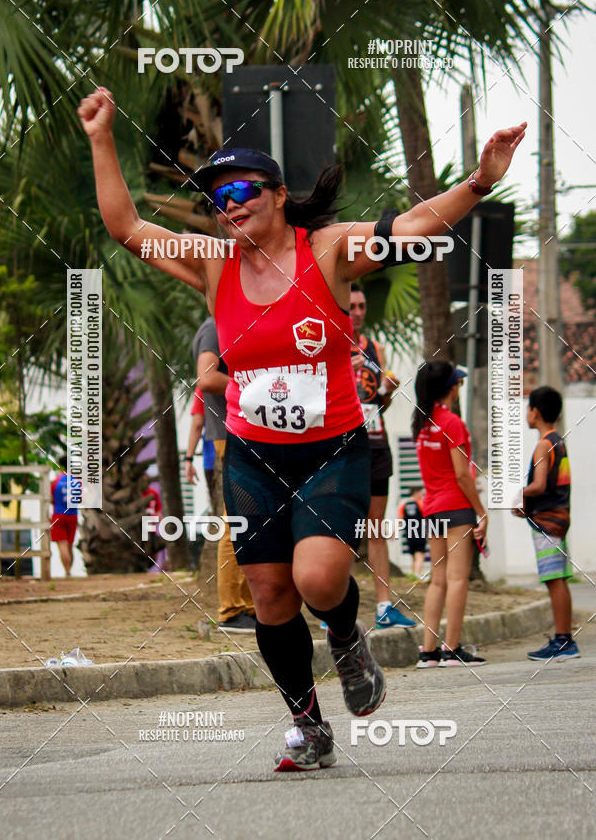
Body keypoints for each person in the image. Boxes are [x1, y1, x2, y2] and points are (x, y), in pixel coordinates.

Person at [79, 85, 525, 770]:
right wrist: (100, 137)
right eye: (218, 198)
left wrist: (477, 181)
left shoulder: (326, 250)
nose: (229, 207)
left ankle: (346, 638)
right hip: (254, 457)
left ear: (278, 195)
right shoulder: (215, 263)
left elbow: (411, 228)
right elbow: (128, 228)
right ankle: (308, 724)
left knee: (318, 581)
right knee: (268, 593)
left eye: (243, 192)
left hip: (332, 451)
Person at [413, 361, 487, 667]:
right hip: (456, 507)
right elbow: (462, 475)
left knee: (438, 580)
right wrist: (481, 512)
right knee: (458, 580)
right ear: (449, 388)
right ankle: (452, 649)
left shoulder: (422, 424)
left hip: (432, 509)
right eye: (457, 383)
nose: (460, 387)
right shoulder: (452, 423)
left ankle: (428, 651)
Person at [350, 282, 415, 628]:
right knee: (341, 528)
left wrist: (388, 391)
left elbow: (380, 404)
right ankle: (336, 614)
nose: (358, 312)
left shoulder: (375, 349)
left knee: (376, 527)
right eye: (352, 306)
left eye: (362, 306)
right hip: (343, 449)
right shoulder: (326, 344)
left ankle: (384, 607)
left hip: (376, 444)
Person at [192, 316, 256, 633]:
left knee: (251, 521)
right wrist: (259, 387)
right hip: (230, 435)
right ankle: (231, 611)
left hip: (247, 433)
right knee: (235, 523)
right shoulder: (215, 326)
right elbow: (205, 377)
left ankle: (248, 606)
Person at [512, 387, 579, 661]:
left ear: (535, 412)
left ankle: (564, 641)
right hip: (558, 518)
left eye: (528, 408)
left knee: (554, 579)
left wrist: (516, 493)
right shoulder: (558, 441)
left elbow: (538, 486)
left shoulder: (543, 444)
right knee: (558, 578)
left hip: (548, 523)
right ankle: (563, 638)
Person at [185, 388, 216, 499]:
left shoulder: (204, 386)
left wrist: (188, 459)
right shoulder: (239, 377)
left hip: (213, 460)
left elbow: (198, 424)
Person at [50, 464, 80, 577]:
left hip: (58, 515)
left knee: (62, 545)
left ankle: (67, 571)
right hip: (73, 515)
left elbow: (51, 498)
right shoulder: (76, 482)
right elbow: (80, 498)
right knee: (70, 545)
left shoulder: (56, 481)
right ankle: (69, 570)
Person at [398, 487, 427, 580]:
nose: (422, 495)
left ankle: (413, 574)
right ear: (416, 492)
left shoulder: (404, 504)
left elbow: (400, 519)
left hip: (409, 533)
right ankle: (417, 574)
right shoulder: (420, 503)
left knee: (413, 555)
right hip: (419, 532)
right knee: (420, 554)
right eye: (420, 493)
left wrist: (394, 532)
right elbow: (427, 516)